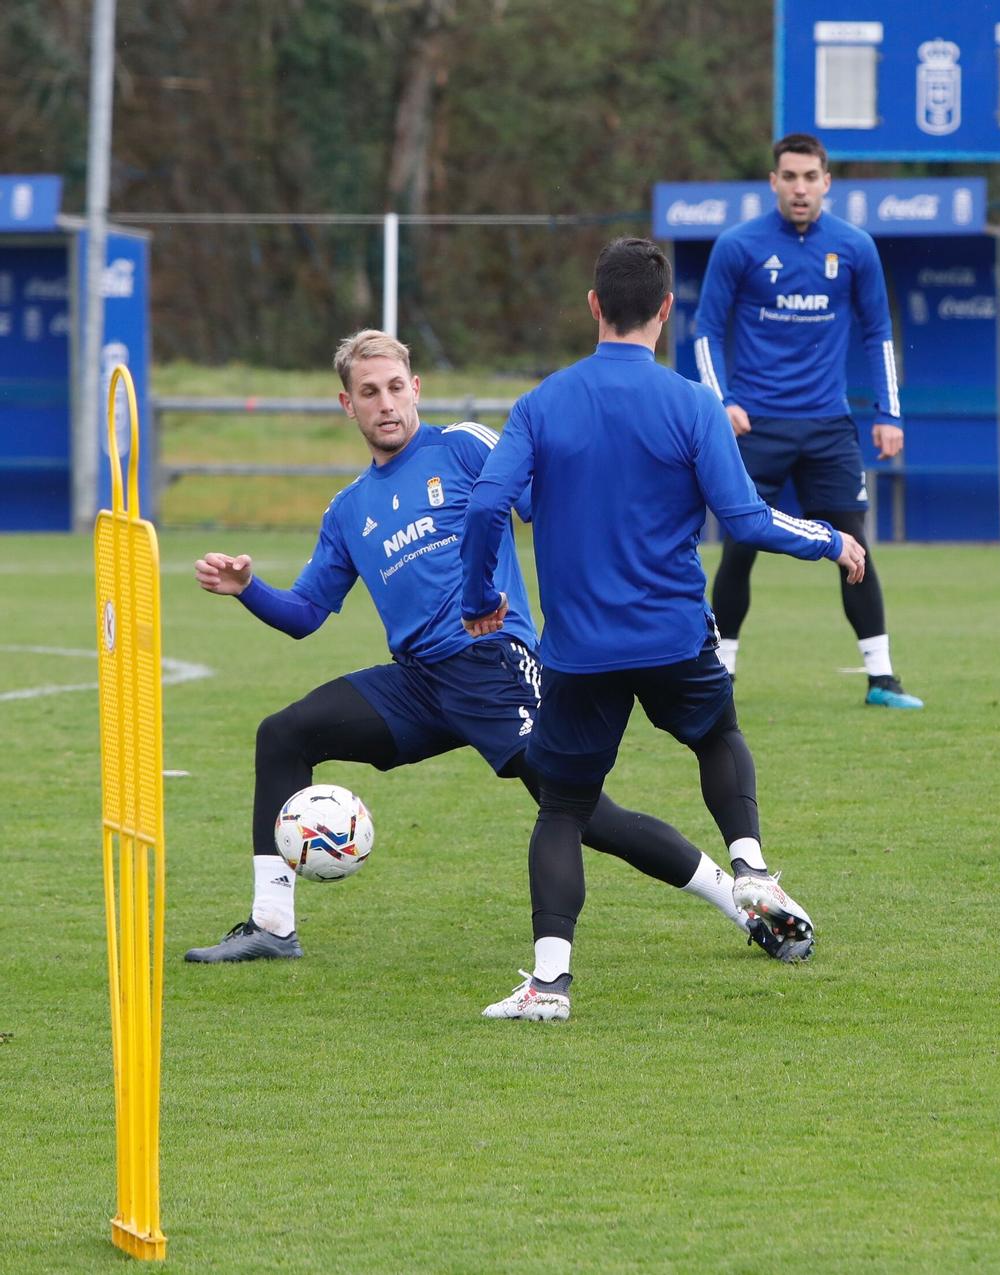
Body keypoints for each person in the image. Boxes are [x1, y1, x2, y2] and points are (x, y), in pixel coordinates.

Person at [184, 330, 791, 970]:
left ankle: (744, 901)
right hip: (416, 683)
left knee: (582, 813)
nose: (385, 403)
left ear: (415, 388)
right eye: (369, 393)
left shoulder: (466, 446)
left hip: (493, 666)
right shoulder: (348, 509)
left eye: (395, 387)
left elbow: (545, 500)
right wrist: (247, 588)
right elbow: (305, 614)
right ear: (347, 404)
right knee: (282, 734)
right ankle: (272, 926)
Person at [460, 237, 866, 1022]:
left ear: (593, 306)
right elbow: (744, 515)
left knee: (562, 812)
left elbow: (486, 505)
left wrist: (483, 593)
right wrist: (828, 537)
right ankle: (748, 862)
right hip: (675, 636)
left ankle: (550, 983)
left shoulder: (541, 403)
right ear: (667, 312)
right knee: (716, 735)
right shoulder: (692, 403)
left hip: (578, 650)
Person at [692, 132, 921, 709]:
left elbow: (878, 333)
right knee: (740, 546)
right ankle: (722, 673)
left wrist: (888, 412)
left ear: (826, 183)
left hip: (827, 427)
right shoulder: (738, 247)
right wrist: (721, 403)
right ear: (773, 182)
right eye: (788, 177)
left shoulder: (854, 247)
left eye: (809, 177)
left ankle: (882, 678)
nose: (799, 188)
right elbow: (705, 333)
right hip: (756, 427)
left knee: (855, 546)